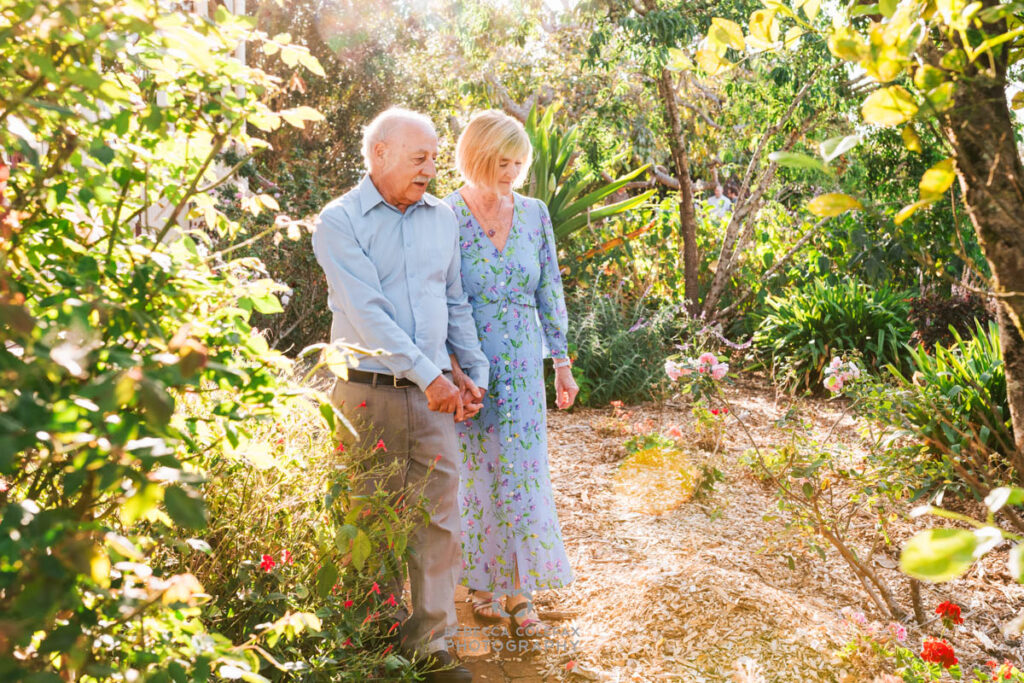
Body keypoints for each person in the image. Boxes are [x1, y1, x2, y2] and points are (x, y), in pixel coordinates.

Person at [312, 107, 488, 683]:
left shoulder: (443, 219)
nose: (432, 169)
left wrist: (470, 372)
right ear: (379, 154)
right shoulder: (339, 222)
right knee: (370, 516)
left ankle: (431, 646)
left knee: (438, 520)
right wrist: (430, 375)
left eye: (436, 158)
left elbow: (454, 301)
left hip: (434, 398)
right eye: (421, 157)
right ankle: (375, 645)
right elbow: (370, 316)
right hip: (368, 395)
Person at [443, 110, 578, 637]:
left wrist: (561, 363)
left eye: (519, 163)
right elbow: (437, 297)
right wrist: (451, 370)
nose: (512, 173)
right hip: (469, 365)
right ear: (477, 155)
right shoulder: (445, 214)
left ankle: (519, 590)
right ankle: (479, 584)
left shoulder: (535, 212)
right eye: (503, 162)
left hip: (523, 364)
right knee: (477, 474)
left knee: (522, 472)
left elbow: (550, 291)